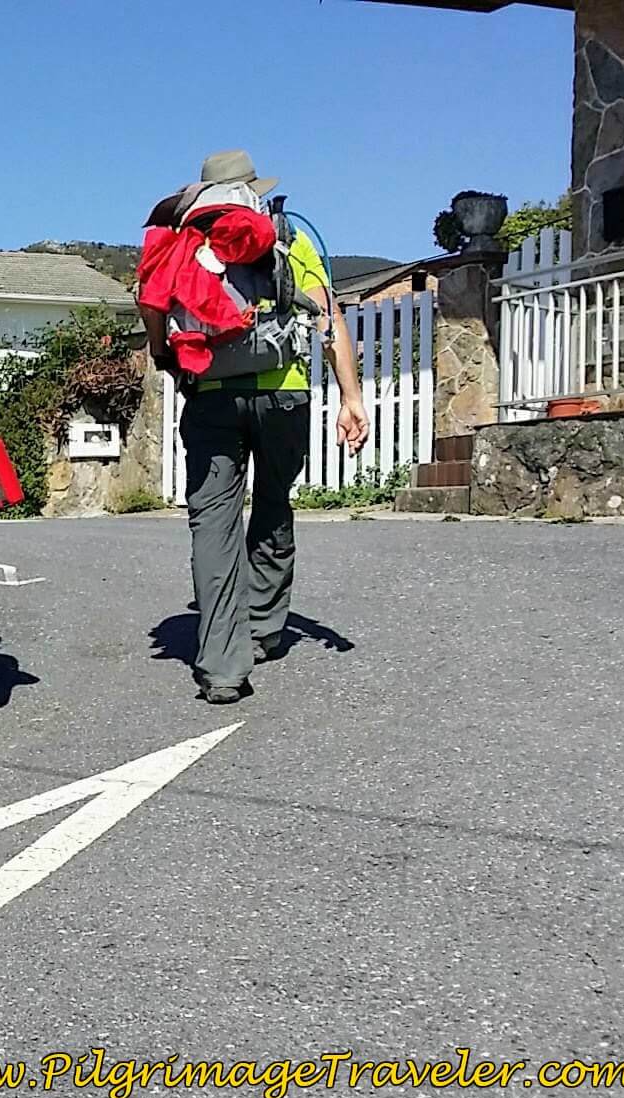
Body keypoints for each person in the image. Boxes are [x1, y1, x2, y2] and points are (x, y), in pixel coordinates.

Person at [139, 150, 368, 705]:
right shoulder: (287, 233)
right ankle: (264, 628)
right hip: (283, 393)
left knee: (212, 526)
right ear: (252, 191)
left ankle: (222, 666)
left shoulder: (181, 240)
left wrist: (167, 358)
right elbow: (327, 314)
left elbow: (149, 304)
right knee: (272, 503)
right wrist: (351, 397)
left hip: (213, 395)